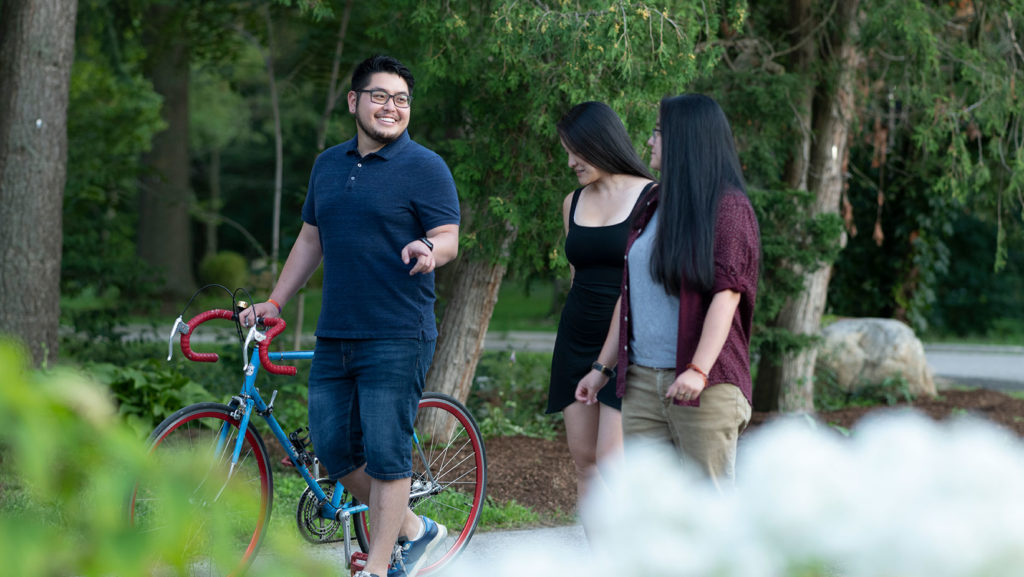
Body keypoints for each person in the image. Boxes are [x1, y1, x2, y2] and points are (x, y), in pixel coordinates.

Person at [240, 55, 460, 577]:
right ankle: (414, 529)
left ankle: (378, 566)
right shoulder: (328, 165)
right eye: (380, 96)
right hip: (336, 331)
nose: (392, 107)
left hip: (397, 332)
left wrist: (430, 249)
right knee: (334, 449)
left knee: (387, 455)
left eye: (401, 99)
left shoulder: (425, 167)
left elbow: (449, 237)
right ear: (354, 102)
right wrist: (275, 302)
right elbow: (311, 238)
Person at [575, 93, 760, 491]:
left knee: (707, 509)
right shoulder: (655, 204)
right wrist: (602, 368)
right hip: (642, 385)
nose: (649, 142)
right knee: (655, 511)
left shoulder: (728, 208)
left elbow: (727, 295)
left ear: (685, 138)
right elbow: (632, 294)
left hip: (705, 388)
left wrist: (698, 370)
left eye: (658, 132)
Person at [547, 101, 656, 508]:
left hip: (630, 341)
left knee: (616, 465)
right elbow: (577, 273)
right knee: (586, 463)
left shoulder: (651, 197)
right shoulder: (571, 203)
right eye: (567, 151)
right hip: (577, 338)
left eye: (577, 150)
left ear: (602, 141)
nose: (571, 161)